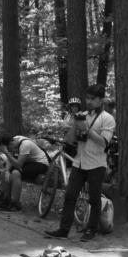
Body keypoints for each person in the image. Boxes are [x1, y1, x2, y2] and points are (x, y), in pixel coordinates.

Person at [45, 84, 116, 241]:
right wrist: (75, 125)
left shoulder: (107, 118)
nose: (89, 101)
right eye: (87, 98)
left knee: (94, 198)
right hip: (79, 162)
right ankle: (63, 230)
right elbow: (70, 140)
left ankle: (91, 230)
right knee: (70, 195)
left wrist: (87, 130)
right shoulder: (82, 115)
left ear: (101, 100)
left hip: (97, 164)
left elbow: (104, 142)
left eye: (93, 99)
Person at [0, 134, 49, 211]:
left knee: (16, 173)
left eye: (8, 148)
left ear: (11, 143)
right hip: (28, 163)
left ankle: (15, 204)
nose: (9, 150)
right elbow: (10, 159)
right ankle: (6, 200)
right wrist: (7, 171)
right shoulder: (13, 141)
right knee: (4, 172)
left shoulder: (25, 145)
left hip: (41, 163)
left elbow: (18, 165)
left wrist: (6, 153)